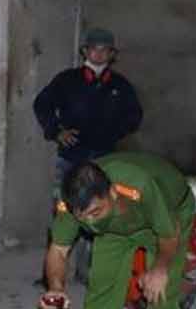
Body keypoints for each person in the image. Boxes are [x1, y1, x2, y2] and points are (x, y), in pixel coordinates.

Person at [37, 152, 195, 309]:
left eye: (96, 212)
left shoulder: (138, 185)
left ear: (112, 193)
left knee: (160, 294)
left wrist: (159, 268)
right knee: (102, 286)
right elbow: (58, 249)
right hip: (116, 228)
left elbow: (169, 234)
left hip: (169, 215)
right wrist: (55, 287)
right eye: (83, 217)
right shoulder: (72, 205)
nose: (89, 222)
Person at [33, 27, 142, 284]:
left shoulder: (120, 86)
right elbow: (42, 104)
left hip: (105, 162)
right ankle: (52, 273)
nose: (99, 53)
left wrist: (112, 134)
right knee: (63, 212)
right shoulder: (67, 80)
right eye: (94, 48)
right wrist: (56, 131)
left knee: (99, 213)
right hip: (72, 159)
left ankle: (89, 270)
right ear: (85, 51)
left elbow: (135, 116)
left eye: (105, 49)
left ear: (112, 54)